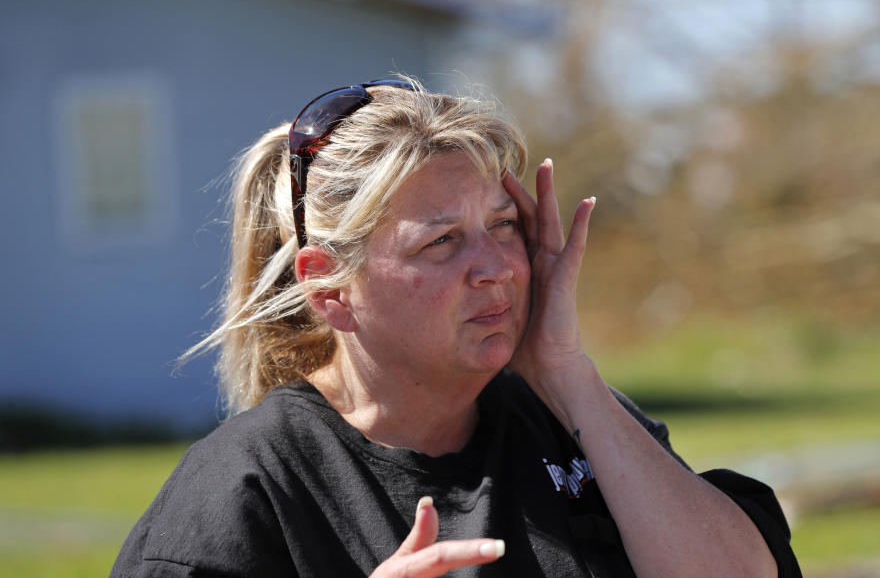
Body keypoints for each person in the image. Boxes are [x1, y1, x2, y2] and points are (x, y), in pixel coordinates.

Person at [111, 78, 801, 577]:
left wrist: (567, 372)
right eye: (440, 242)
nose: (497, 266)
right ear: (329, 288)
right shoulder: (249, 490)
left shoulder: (572, 417)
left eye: (502, 226)